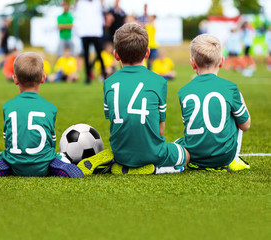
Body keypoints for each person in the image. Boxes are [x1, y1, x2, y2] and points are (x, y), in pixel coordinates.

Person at [77, 23, 190, 175]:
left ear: (116, 55)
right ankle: (157, 168)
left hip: (120, 153)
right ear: (147, 53)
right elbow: (161, 131)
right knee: (186, 153)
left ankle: (119, 164)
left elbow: (115, 122)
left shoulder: (109, 82)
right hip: (152, 152)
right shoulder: (159, 81)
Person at [0, 52, 83, 178]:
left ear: (15, 79)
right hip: (43, 165)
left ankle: (3, 164)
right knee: (58, 155)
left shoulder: (8, 106)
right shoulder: (50, 108)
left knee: (3, 155)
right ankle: (56, 165)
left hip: (15, 163)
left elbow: (7, 139)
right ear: (43, 78)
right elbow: (51, 141)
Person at [176, 33, 251, 172]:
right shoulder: (230, 88)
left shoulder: (183, 91)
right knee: (236, 108)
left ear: (192, 63)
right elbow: (245, 125)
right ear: (222, 61)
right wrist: (240, 97)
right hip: (224, 157)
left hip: (194, 155)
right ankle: (234, 159)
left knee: (177, 144)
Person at [73, 0, 107, 84]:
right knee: (86, 56)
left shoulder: (98, 3)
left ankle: (104, 74)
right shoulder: (81, 3)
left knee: (99, 54)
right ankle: (87, 77)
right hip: (85, 33)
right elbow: (76, 14)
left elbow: (104, 12)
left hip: (96, 32)